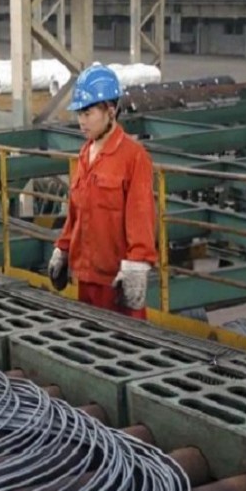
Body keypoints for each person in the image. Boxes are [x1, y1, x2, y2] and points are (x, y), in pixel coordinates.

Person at [47, 64, 157, 319]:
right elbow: (76, 211)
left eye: (87, 113)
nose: (81, 121)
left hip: (117, 284)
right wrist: (62, 249)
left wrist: (137, 266)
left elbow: (141, 216)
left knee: (125, 350)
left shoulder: (133, 156)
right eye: (79, 114)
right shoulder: (86, 153)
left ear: (110, 111)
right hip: (85, 278)